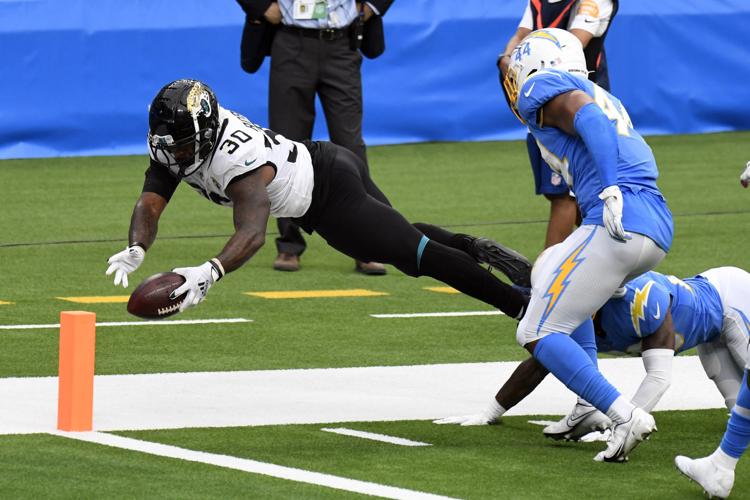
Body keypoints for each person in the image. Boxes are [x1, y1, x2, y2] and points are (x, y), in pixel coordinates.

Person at [105, 79, 533, 322]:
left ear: (204, 133)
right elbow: (150, 203)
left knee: (416, 256)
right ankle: (478, 249)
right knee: (402, 242)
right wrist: (137, 246)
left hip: (329, 191)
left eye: (182, 145)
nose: (173, 153)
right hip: (322, 170)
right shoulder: (176, 145)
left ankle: (518, 305)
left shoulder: (238, 155)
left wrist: (209, 272)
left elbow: (252, 233)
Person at [500, 28, 674, 463]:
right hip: (653, 221)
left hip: (618, 218)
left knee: (536, 330)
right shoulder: (597, 89)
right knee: (551, 267)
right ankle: (587, 402)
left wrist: (611, 189)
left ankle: (621, 413)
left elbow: (588, 120)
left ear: (536, 64)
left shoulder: (543, 85)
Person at [436, 264, 750, 446]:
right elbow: (542, 360)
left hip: (730, 301)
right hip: (708, 327)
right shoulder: (574, 311)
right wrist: (490, 412)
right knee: (741, 410)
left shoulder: (642, 302)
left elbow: (659, 377)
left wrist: (622, 425)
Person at [235, 0, 394, 274]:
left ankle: (367, 247)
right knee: (284, 149)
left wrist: (371, 6)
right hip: (290, 42)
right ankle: (289, 244)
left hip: (342, 43)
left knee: (351, 149)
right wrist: (260, 6)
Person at [498, 0, 618, 249]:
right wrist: (508, 58)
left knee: (564, 197)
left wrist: (522, 60)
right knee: (572, 196)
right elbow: (521, 35)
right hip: (546, 104)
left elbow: (571, 44)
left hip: (574, 106)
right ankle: (613, 258)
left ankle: (547, 283)